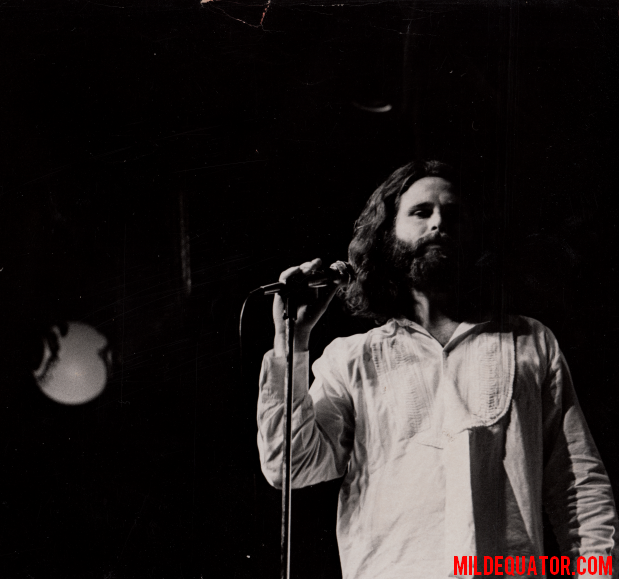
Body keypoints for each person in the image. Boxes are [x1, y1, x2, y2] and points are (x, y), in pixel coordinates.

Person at [256, 160, 618, 578]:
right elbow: (291, 465)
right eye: (421, 211)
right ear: (387, 232)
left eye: (455, 214)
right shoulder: (351, 358)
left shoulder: (528, 341)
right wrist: (292, 341)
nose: (439, 223)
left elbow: (578, 486)